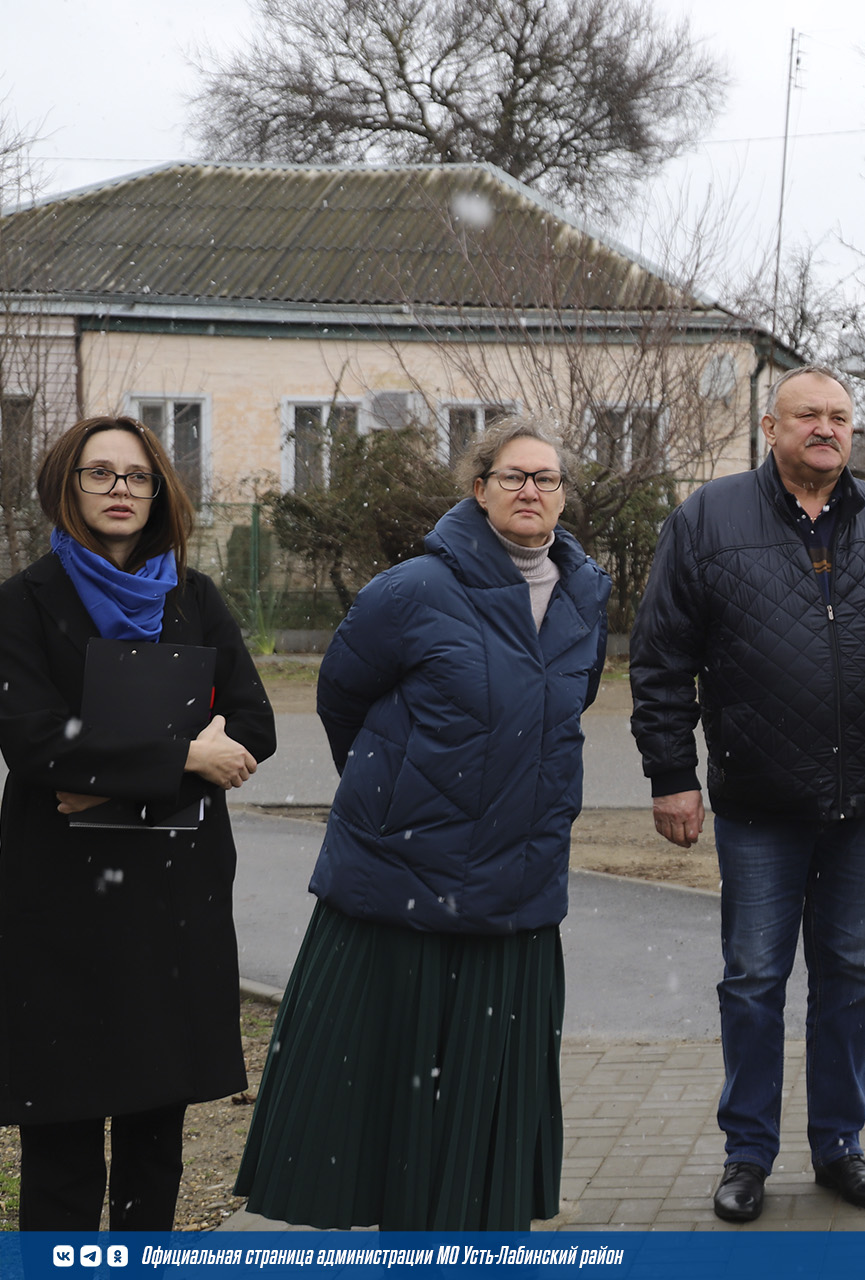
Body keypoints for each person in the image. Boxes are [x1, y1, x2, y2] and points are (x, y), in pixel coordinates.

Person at [233, 419, 610, 1230]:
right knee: (394, 1106)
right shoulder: (413, 589)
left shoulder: (586, 595)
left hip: (517, 887)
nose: (531, 492)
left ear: (563, 498)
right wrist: (404, 792)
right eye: (513, 476)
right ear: (478, 488)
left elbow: (565, 706)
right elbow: (343, 698)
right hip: (403, 883)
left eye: (547, 480)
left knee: (483, 1111)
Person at [630, 363, 865, 1223]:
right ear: (770, 429)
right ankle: (748, 1154)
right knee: (753, 980)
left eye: (840, 417)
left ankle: (840, 1145)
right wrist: (672, 775)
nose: (826, 429)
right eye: (807, 415)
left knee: (850, 978)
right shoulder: (707, 520)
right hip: (756, 805)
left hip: (864, 810)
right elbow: (661, 660)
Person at [0, 415, 272, 1230]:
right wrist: (183, 758)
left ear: (159, 491)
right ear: (65, 486)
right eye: (100, 473)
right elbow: (33, 738)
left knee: (157, 1135)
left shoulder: (195, 600)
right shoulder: (21, 604)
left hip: (169, 901)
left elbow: (253, 728)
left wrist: (115, 780)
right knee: (61, 1140)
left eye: (137, 476)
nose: (120, 490)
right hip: (61, 908)